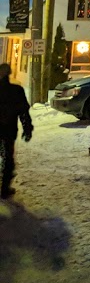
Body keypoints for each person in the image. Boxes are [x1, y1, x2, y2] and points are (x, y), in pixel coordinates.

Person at [0, 62, 32, 199]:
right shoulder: (16, 91)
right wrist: (27, 128)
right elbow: (23, 112)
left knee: (6, 157)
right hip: (8, 130)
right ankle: (4, 188)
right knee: (7, 158)